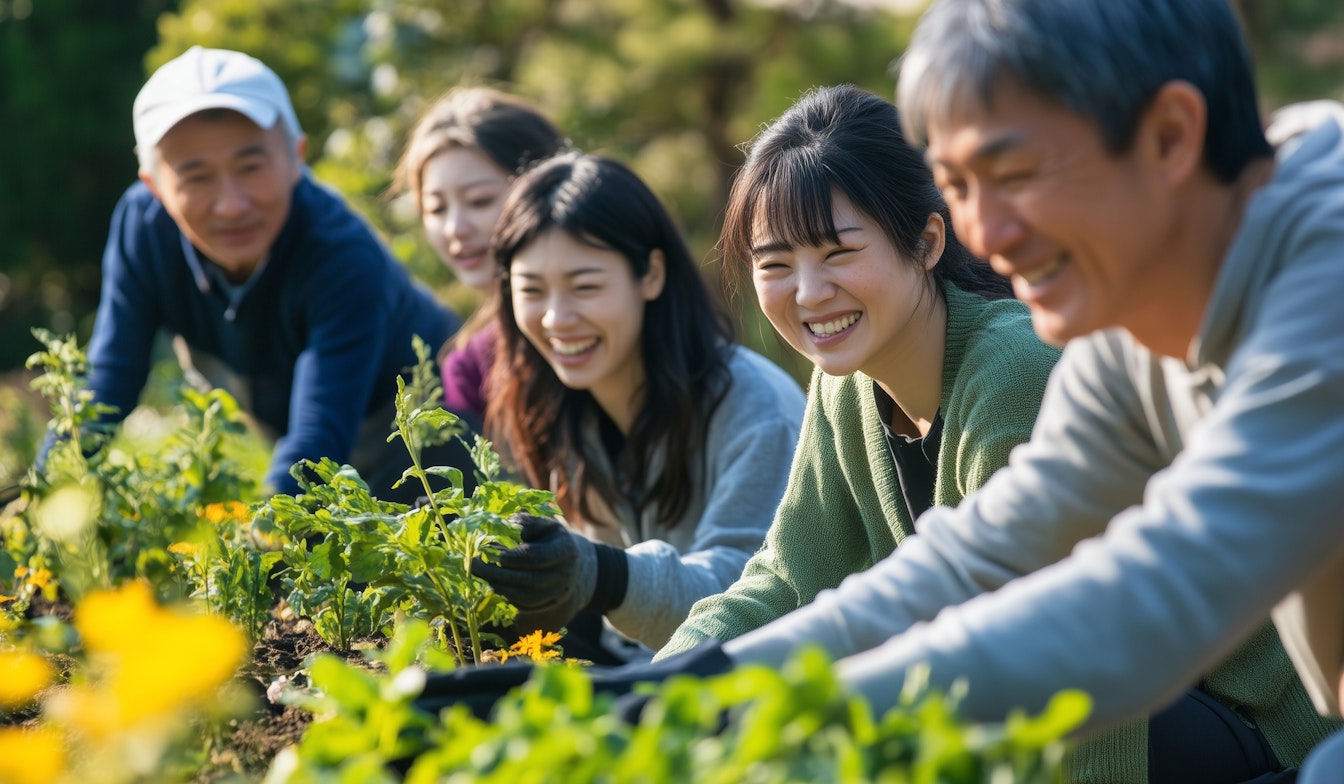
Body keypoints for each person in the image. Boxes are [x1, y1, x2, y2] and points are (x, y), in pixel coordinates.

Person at [692, 0, 1343, 781]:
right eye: (960, 185)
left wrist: (779, 722)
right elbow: (983, 551)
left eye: (1016, 176)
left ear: (1170, 137)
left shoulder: (1324, 283)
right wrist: (673, 691)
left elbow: (1157, 589)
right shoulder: (1118, 326)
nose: (986, 232)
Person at [657, 84, 1056, 654]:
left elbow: (1008, 627)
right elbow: (786, 581)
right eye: (776, 264)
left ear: (926, 243)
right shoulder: (845, 383)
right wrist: (655, 685)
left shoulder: (1015, 370)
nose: (809, 293)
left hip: (1160, 716)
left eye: (838, 253)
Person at [51, 46, 461, 501]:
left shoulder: (340, 253)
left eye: (251, 167)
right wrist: (41, 494)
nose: (231, 204)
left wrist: (255, 546)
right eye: (196, 178)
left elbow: (317, 436)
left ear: (296, 159)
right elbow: (110, 380)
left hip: (430, 419)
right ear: (155, 186)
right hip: (311, 435)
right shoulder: (143, 229)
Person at [471, 151, 807, 660]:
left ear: (650, 274)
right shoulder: (563, 408)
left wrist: (602, 574)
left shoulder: (755, 406)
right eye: (531, 290)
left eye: (585, 286)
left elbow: (747, 597)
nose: (557, 318)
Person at [389, 87, 568, 431]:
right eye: (436, 208)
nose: (456, 229)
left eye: (480, 200)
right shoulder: (472, 366)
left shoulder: (605, 315)